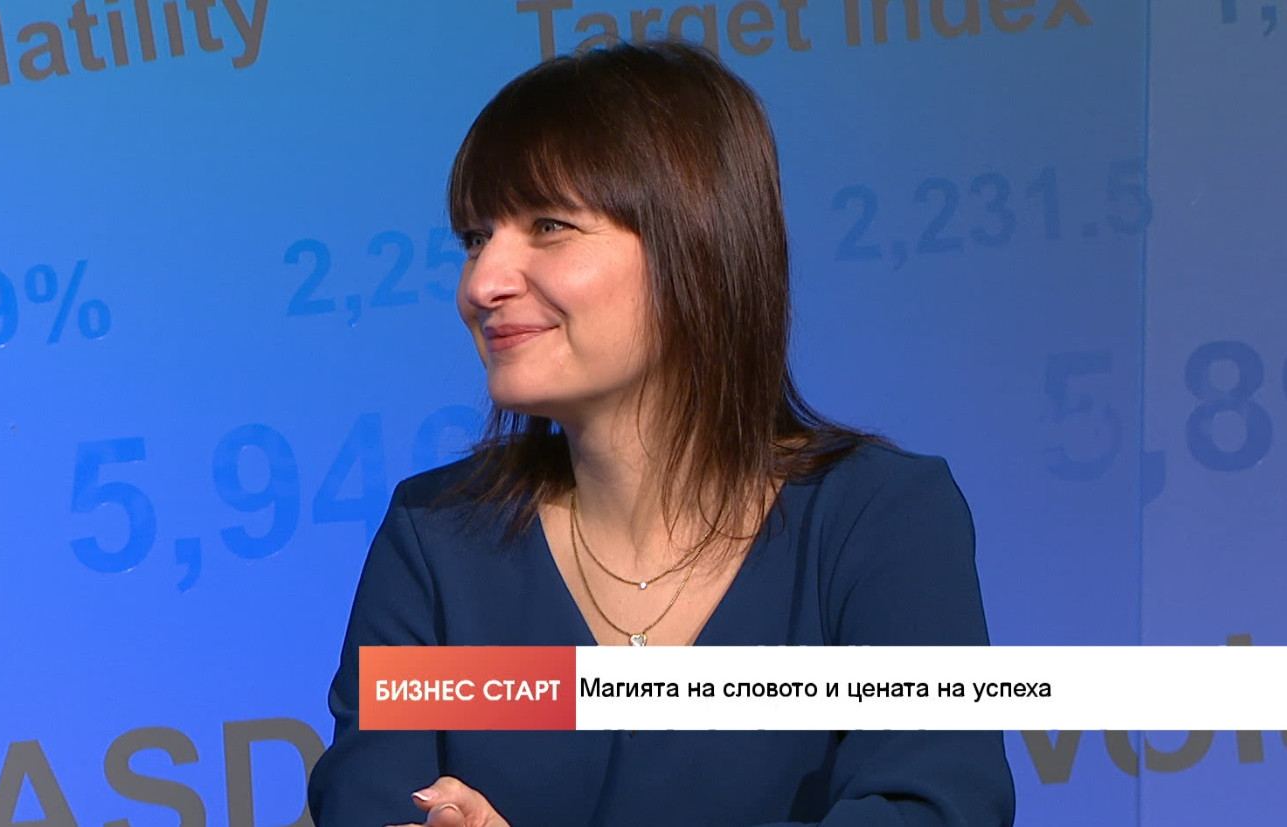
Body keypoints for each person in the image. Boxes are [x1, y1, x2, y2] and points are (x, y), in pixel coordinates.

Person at [307, 40, 1015, 827]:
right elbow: (371, 805)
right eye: (475, 239)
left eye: (548, 225)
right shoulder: (434, 534)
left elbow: (931, 807)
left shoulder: (880, 518)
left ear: (697, 246)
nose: (481, 284)